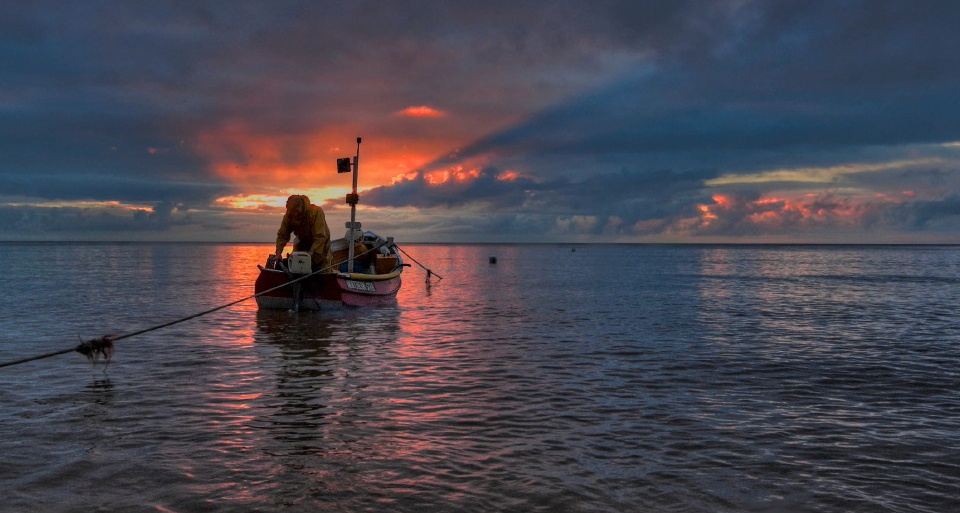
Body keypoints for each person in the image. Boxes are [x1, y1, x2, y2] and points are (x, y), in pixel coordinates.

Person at [275, 194, 332, 271]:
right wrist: (278, 254)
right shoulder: (288, 216)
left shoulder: (316, 212)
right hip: (302, 241)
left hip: (320, 244)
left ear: (301, 205)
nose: (295, 214)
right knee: (297, 265)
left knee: (320, 268)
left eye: (296, 211)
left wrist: (311, 253)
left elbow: (320, 236)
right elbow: (282, 235)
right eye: (292, 212)